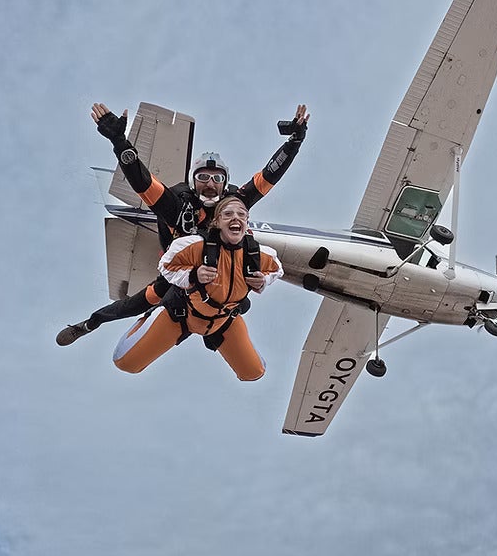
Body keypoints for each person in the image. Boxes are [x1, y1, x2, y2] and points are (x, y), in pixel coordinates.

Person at [56, 101, 309, 346]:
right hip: (181, 271)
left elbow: (268, 176)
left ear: (225, 183)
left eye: (216, 178)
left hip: (222, 275)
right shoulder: (178, 206)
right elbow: (142, 181)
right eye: (203, 177)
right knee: (144, 300)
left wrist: (294, 142)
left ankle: (214, 329)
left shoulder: (236, 202)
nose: (210, 184)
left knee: (241, 303)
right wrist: (119, 142)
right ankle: (90, 324)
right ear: (192, 181)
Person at [111, 196, 283, 380]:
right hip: (181, 315)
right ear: (217, 222)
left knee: (253, 373)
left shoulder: (259, 254)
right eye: (228, 214)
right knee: (125, 363)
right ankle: (148, 319)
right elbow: (165, 266)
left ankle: (212, 337)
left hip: (223, 321)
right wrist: (193, 275)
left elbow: (277, 269)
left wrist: (263, 280)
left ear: (247, 222)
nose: (236, 218)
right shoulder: (196, 245)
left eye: (241, 214)